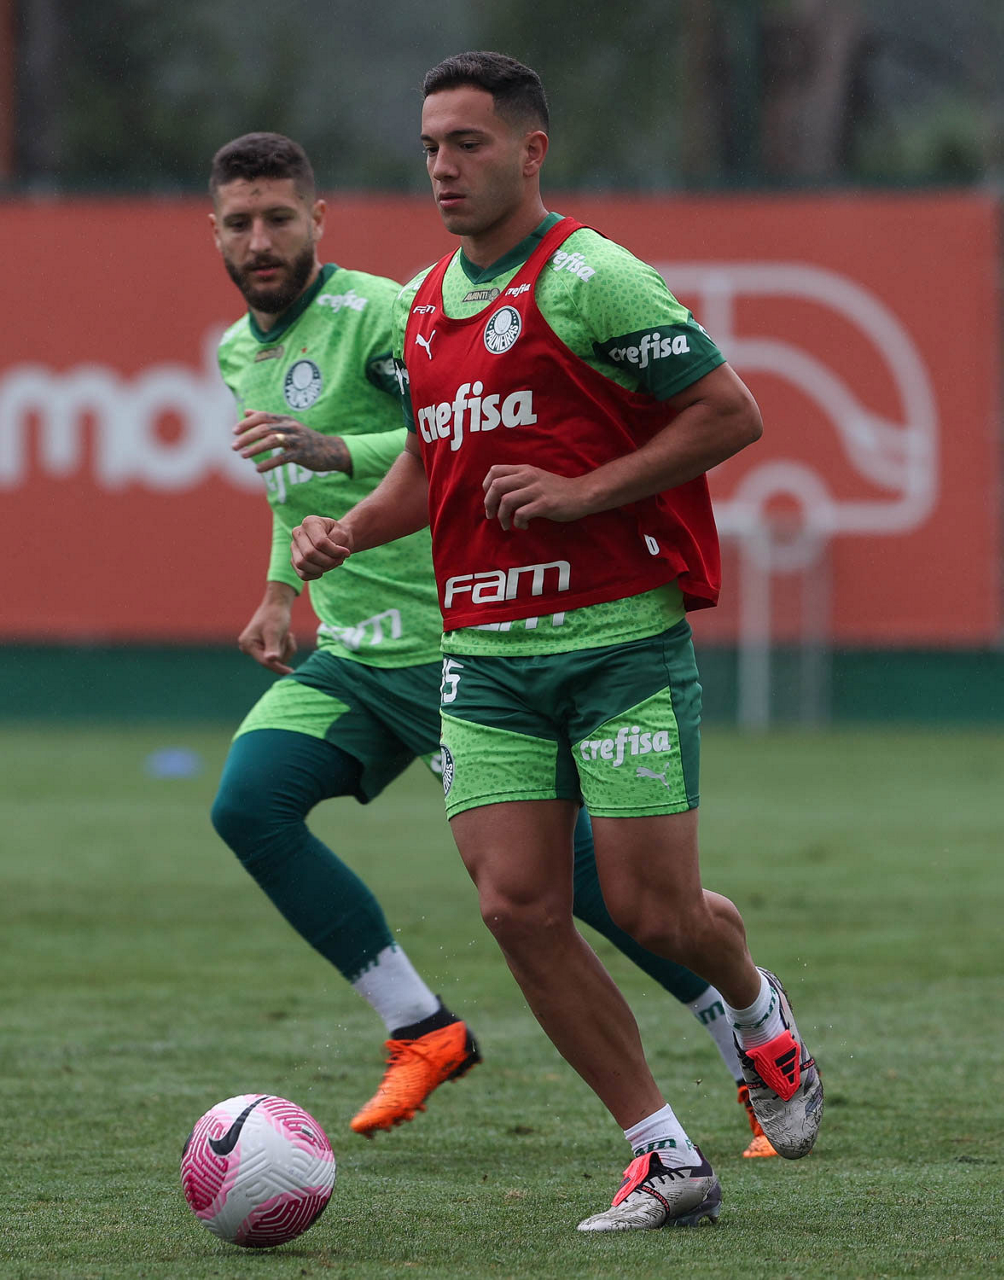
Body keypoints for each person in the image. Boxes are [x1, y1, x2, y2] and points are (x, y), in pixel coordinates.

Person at [291, 53, 822, 1231]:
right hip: (485, 659)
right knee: (515, 905)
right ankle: (663, 1154)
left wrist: (585, 493)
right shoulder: (422, 306)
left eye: (466, 143)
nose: (441, 166)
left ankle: (754, 1007)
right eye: (429, 146)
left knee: (653, 912)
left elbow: (728, 412)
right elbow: (428, 461)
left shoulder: (590, 277)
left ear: (530, 151)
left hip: (617, 646)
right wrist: (346, 531)